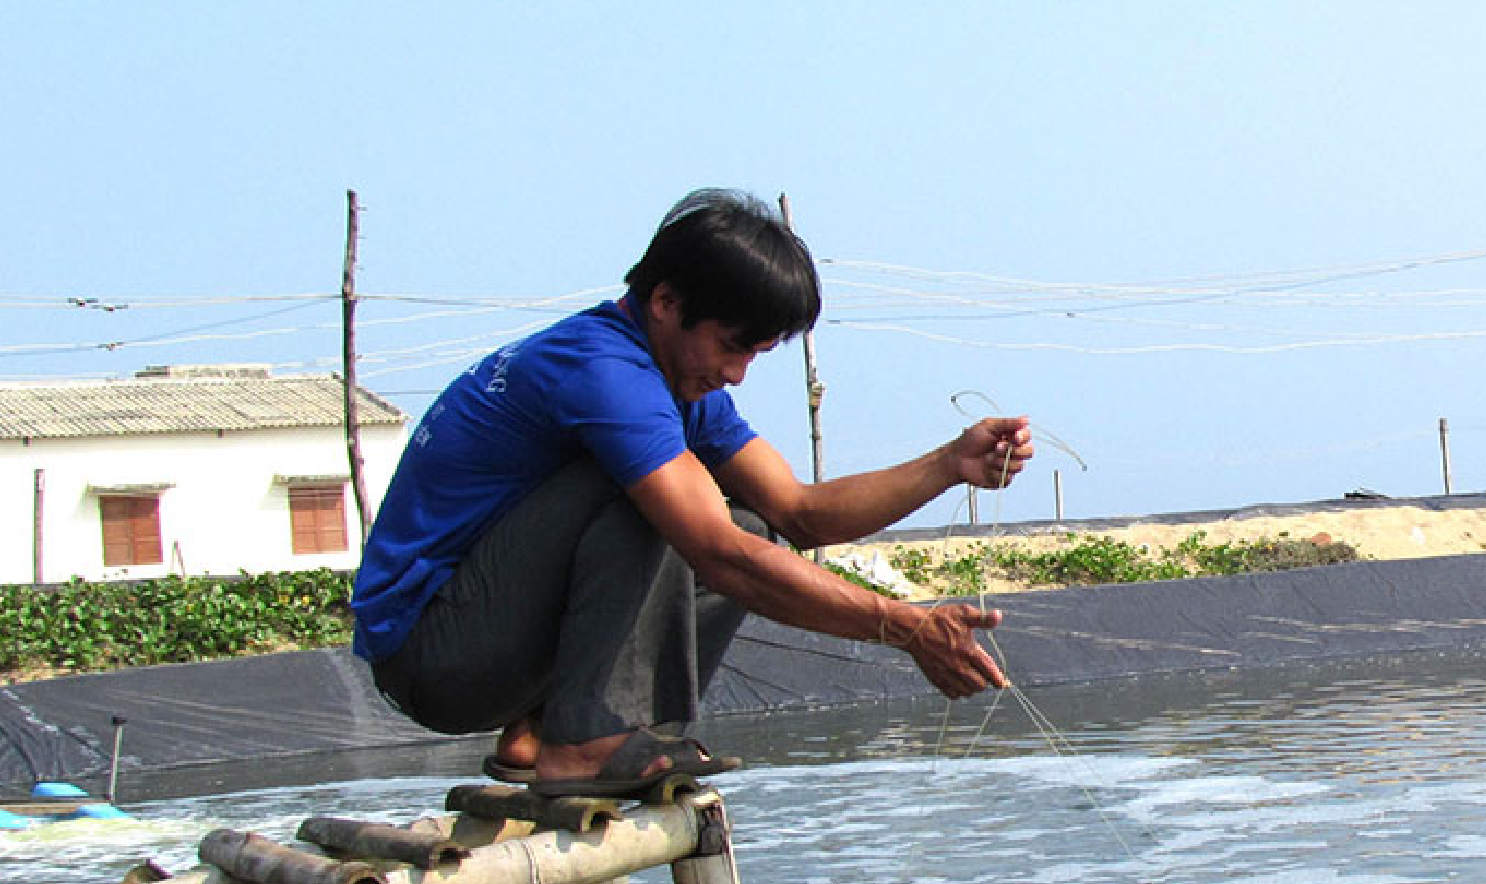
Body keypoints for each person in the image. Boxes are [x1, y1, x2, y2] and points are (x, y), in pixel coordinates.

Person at [350, 189, 1032, 798]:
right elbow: (715, 555)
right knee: (665, 502)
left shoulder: (675, 381)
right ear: (666, 302)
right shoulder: (603, 372)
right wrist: (905, 626)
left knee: (751, 525)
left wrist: (948, 463)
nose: (734, 374)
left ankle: (550, 732)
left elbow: (799, 513)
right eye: (730, 347)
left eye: (754, 357)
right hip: (433, 657)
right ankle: (588, 740)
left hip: (498, 645)